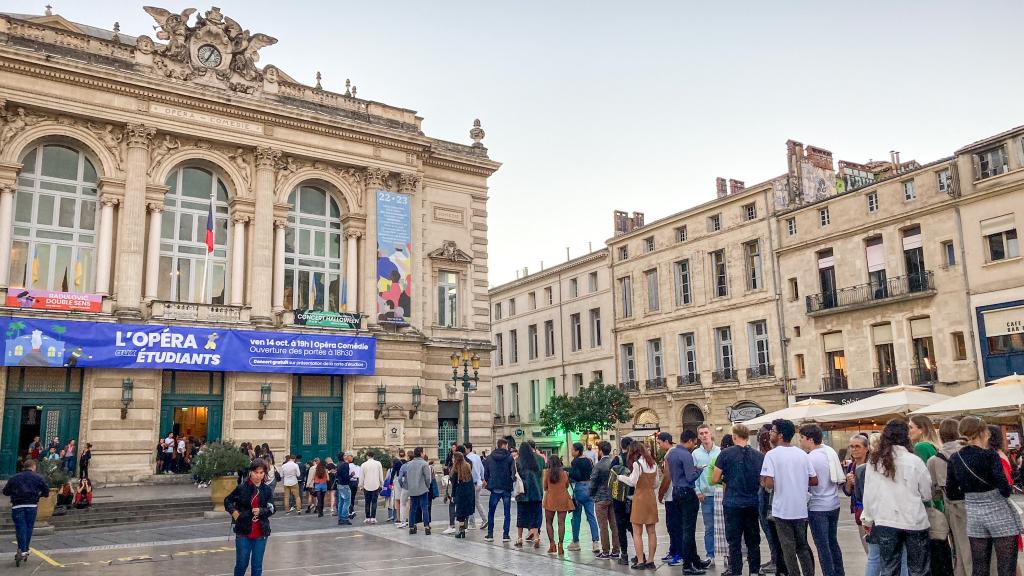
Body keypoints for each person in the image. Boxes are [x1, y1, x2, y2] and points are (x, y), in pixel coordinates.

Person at [947, 417, 1021, 576]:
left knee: (979, 567)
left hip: (974, 514)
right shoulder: (990, 456)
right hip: (999, 513)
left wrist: (971, 494)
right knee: (1006, 567)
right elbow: (1004, 489)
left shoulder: (955, 458)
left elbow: (951, 492)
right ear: (982, 432)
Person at [862, 419, 932, 576]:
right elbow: (927, 493)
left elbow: (869, 493)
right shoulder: (915, 461)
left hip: (885, 520)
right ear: (905, 436)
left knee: (889, 568)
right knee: (919, 569)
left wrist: (868, 518)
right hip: (914, 520)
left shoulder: (874, 462)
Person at [760, 419, 817, 576]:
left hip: (782, 510)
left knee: (788, 550)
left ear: (780, 435)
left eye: (772, 431)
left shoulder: (771, 455)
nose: (770, 433)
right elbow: (814, 480)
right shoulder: (802, 454)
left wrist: (764, 480)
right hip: (800, 509)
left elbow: (769, 484)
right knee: (802, 547)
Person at [713, 423, 764, 576]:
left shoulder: (725, 454)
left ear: (734, 437)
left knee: (734, 542)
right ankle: (754, 571)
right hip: (752, 502)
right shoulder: (758, 456)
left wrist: (727, 479)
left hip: (732, 502)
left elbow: (715, 478)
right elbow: (762, 480)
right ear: (748, 437)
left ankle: (736, 571)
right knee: (753, 540)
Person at [909, 414, 954, 576]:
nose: (909, 431)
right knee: (943, 550)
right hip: (941, 503)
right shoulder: (934, 446)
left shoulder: (921, 447)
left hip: (930, 505)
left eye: (911, 427)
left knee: (935, 553)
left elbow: (922, 480)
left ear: (921, 430)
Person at [799, 423, 845, 576]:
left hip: (817, 506)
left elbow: (806, 482)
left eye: (802, 438)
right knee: (833, 543)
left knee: (822, 547)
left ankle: (829, 573)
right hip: (833, 503)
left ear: (810, 439)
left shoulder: (809, 458)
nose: (800, 441)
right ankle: (839, 572)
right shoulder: (829, 451)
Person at [929, 418, 969, 576]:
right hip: (974, 503)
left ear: (941, 435)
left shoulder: (934, 460)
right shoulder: (968, 451)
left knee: (959, 547)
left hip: (952, 507)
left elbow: (934, 492)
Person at [225, 459, 275, 576]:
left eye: (261, 473)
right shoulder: (242, 488)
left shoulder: (267, 490)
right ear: (250, 472)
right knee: (242, 564)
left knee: (257, 566)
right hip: (243, 531)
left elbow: (272, 509)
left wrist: (261, 510)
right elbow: (228, 500)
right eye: (256, 472)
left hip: (261, 532)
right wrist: (234, 512)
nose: (258, 476)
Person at [617, 441, 658, 570]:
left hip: (640, 498)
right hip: (651, 498)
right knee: (652, 531)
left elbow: (632, 481)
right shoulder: (653, 464)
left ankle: (640, 561)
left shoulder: (637, 464)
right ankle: (651, 561)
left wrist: (621, 477)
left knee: (637, 532)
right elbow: (656, 484)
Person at [3, 459, 50, 566]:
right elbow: (46, 492)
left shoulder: (14, 478)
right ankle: (25, 549)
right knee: (28, 528)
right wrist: (38, 495)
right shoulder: (38, 477)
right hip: (31, 505)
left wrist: (14, 493)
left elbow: (5, 492)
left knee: (20, 528)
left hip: (17, 506)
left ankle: (22, 549)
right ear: (33, 467)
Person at [757, 425, 787, 576]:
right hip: (769, 497)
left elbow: (766, 482)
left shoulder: (769, 455)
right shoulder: (768, 454)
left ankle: (777, 561)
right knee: (771, 531)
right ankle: (776, 560)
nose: (767, 436)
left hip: (769, 496)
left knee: (772, 530)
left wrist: (763, 482)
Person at [693, 425, 721, 563]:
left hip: (719, 494)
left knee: (723, 526)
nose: (704, 436)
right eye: (701, 433)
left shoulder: (720, 452)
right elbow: (694, 475)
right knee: (709, 527)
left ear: (711, 434)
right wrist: (698, 491)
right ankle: (710, 555)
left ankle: (727, 555)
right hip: (705, 495)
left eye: (706, 433)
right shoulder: (695, 454)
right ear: (698, 436)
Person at [568, 442, 599, 552]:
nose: (571, 452)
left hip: (580, 488)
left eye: (572, 450)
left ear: (577, 451)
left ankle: (576, 542)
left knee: (576, 517)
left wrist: (569, 474)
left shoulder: (575, 462)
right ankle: (595, 542)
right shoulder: (589, 460)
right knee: (591, 516)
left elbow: (576, 476)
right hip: (589, 487)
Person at [658, 433, 684, 566]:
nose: (659, 445)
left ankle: (679, 553)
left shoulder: (670, 455)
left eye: (660, 442)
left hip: (672, 495)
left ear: (666, 441)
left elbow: (667, 477)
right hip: (675, 494)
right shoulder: (675, 452)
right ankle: (673, 550)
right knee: (672, 526)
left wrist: (660, 493)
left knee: (674, 526)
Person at [608, 437, 635, 565]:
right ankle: (640, 554)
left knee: (621, 526)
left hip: (619, 497)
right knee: (634, 527)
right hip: (633, 496)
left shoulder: (617, 459)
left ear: (621, 446)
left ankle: (624, 555)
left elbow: (611, 477)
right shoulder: (636, 459)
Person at [591, 440, 620, 560]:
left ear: (601, 451)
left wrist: (591, 494)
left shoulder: (598, 465)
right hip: (613, 497)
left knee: (603, 526)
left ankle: (606, 551)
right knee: (614, 525)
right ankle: (616, 550)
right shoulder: (613, 463)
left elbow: (593, 482)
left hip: (601, 498)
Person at [483, 438, 515, 542]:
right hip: (506, 487)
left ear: (497, 445)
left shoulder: (490, 457)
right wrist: (511, 480)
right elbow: (513, 472)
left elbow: (486, 473)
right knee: (507, 512)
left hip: (494, 487)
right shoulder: (510, 457)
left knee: (491, 511)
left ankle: (490, 534)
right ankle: (505, 535)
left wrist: (488, 481)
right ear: (504, 445)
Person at [843, 434, 871, 553]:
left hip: (872, 512)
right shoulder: (851, 466)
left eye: (857, 446)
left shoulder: (872, 466)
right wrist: (849, 483)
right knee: (866, 548)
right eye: (851, 446)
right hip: (859, 512)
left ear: (866, 448)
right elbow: (848, 492)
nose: (854, 449)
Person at [542, 455, 575, 555]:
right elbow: (566, 485)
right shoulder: (564, 473)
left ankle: (552, 545)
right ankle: (560, 546)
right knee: (561, 523)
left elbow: (544, 487)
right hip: (562, 499)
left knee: (549, 522)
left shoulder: (547, 473)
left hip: (550, 500)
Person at [515, 441, 543, 548]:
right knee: (534, 516)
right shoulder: (537, 460)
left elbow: (514, 476)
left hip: (522, 493)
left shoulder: (517, 461)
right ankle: (536, 538)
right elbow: (541, 474)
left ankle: (519, 539)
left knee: (521, 516)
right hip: (535, 493)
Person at [399, 447, 433, 535]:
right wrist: (427, 485)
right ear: (421, 453)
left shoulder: (408, 464)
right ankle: (426, 526)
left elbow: (406, 477)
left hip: (412, 489)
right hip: (422, 488)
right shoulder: (424, 464)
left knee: (412, 508)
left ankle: (411, 526)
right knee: (424, 507)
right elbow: (427, 477)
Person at [446, 450, 475, 538]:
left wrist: (453, 496)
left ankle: (461, 531)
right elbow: (471, 480)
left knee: (460, 513)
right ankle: (463, 530)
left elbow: (454, 485)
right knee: (465, 512)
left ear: (456, 460)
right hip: (469, 491)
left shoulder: (455, 469)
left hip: (460, 492)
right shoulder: (467, 466)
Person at [464, 443, 487, 529]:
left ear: (468, 449)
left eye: (464, 448)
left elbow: (471, 472)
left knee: (470, 502)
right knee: (476, 502)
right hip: (479, 482)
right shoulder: (477, 457)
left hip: (472, 483)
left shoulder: (468, 459)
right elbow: (482, 468)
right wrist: (482, 478)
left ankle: (472, 522)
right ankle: (484, 519)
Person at [360, 450, 384, 524]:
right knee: (374, 502)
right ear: (373, 456)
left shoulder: (363, 464)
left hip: (366, 485)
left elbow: (361, 476)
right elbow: (381, 475)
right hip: (376, 485)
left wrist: (361, 485)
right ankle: (373, 518)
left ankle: (367, 518)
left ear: (367, 456)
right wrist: (381, 484)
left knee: (367, 502)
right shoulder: (378, 463)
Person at [389, 449, 407, 524]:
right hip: (406, 481)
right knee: (406, 501)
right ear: (405, 454)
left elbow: (393, 473)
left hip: (397, 481)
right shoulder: (407, 463)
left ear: (399, 454)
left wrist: (390, 483)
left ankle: (398, 518)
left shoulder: (396, 462)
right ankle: (406, 517)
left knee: (397, 500)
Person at [335, 453, 352, 525]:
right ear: (344, 457)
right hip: (345, 485)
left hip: (339, 485)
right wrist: (351, 476)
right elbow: (345, 477)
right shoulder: (345, 464)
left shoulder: (338, 464)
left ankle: (340, 518)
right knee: (347, 502)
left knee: (341, 502)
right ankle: (344, 518)